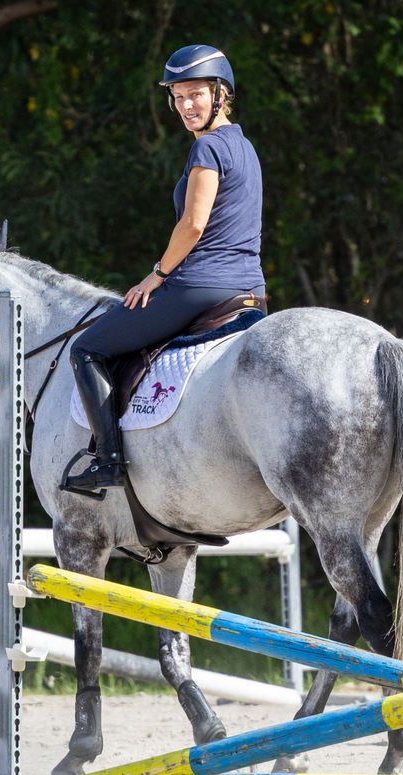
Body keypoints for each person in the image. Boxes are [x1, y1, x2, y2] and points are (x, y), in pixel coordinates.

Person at [64, 44, 265, 493]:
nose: (185, 106)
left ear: (220, 94)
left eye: (195, 94)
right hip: (251, 290)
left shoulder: (209, 148)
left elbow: (193, 224)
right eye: (177, 97)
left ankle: (109, 461)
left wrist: (157, 274)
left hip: (201, 285)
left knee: (87, 349)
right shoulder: (244, 147)